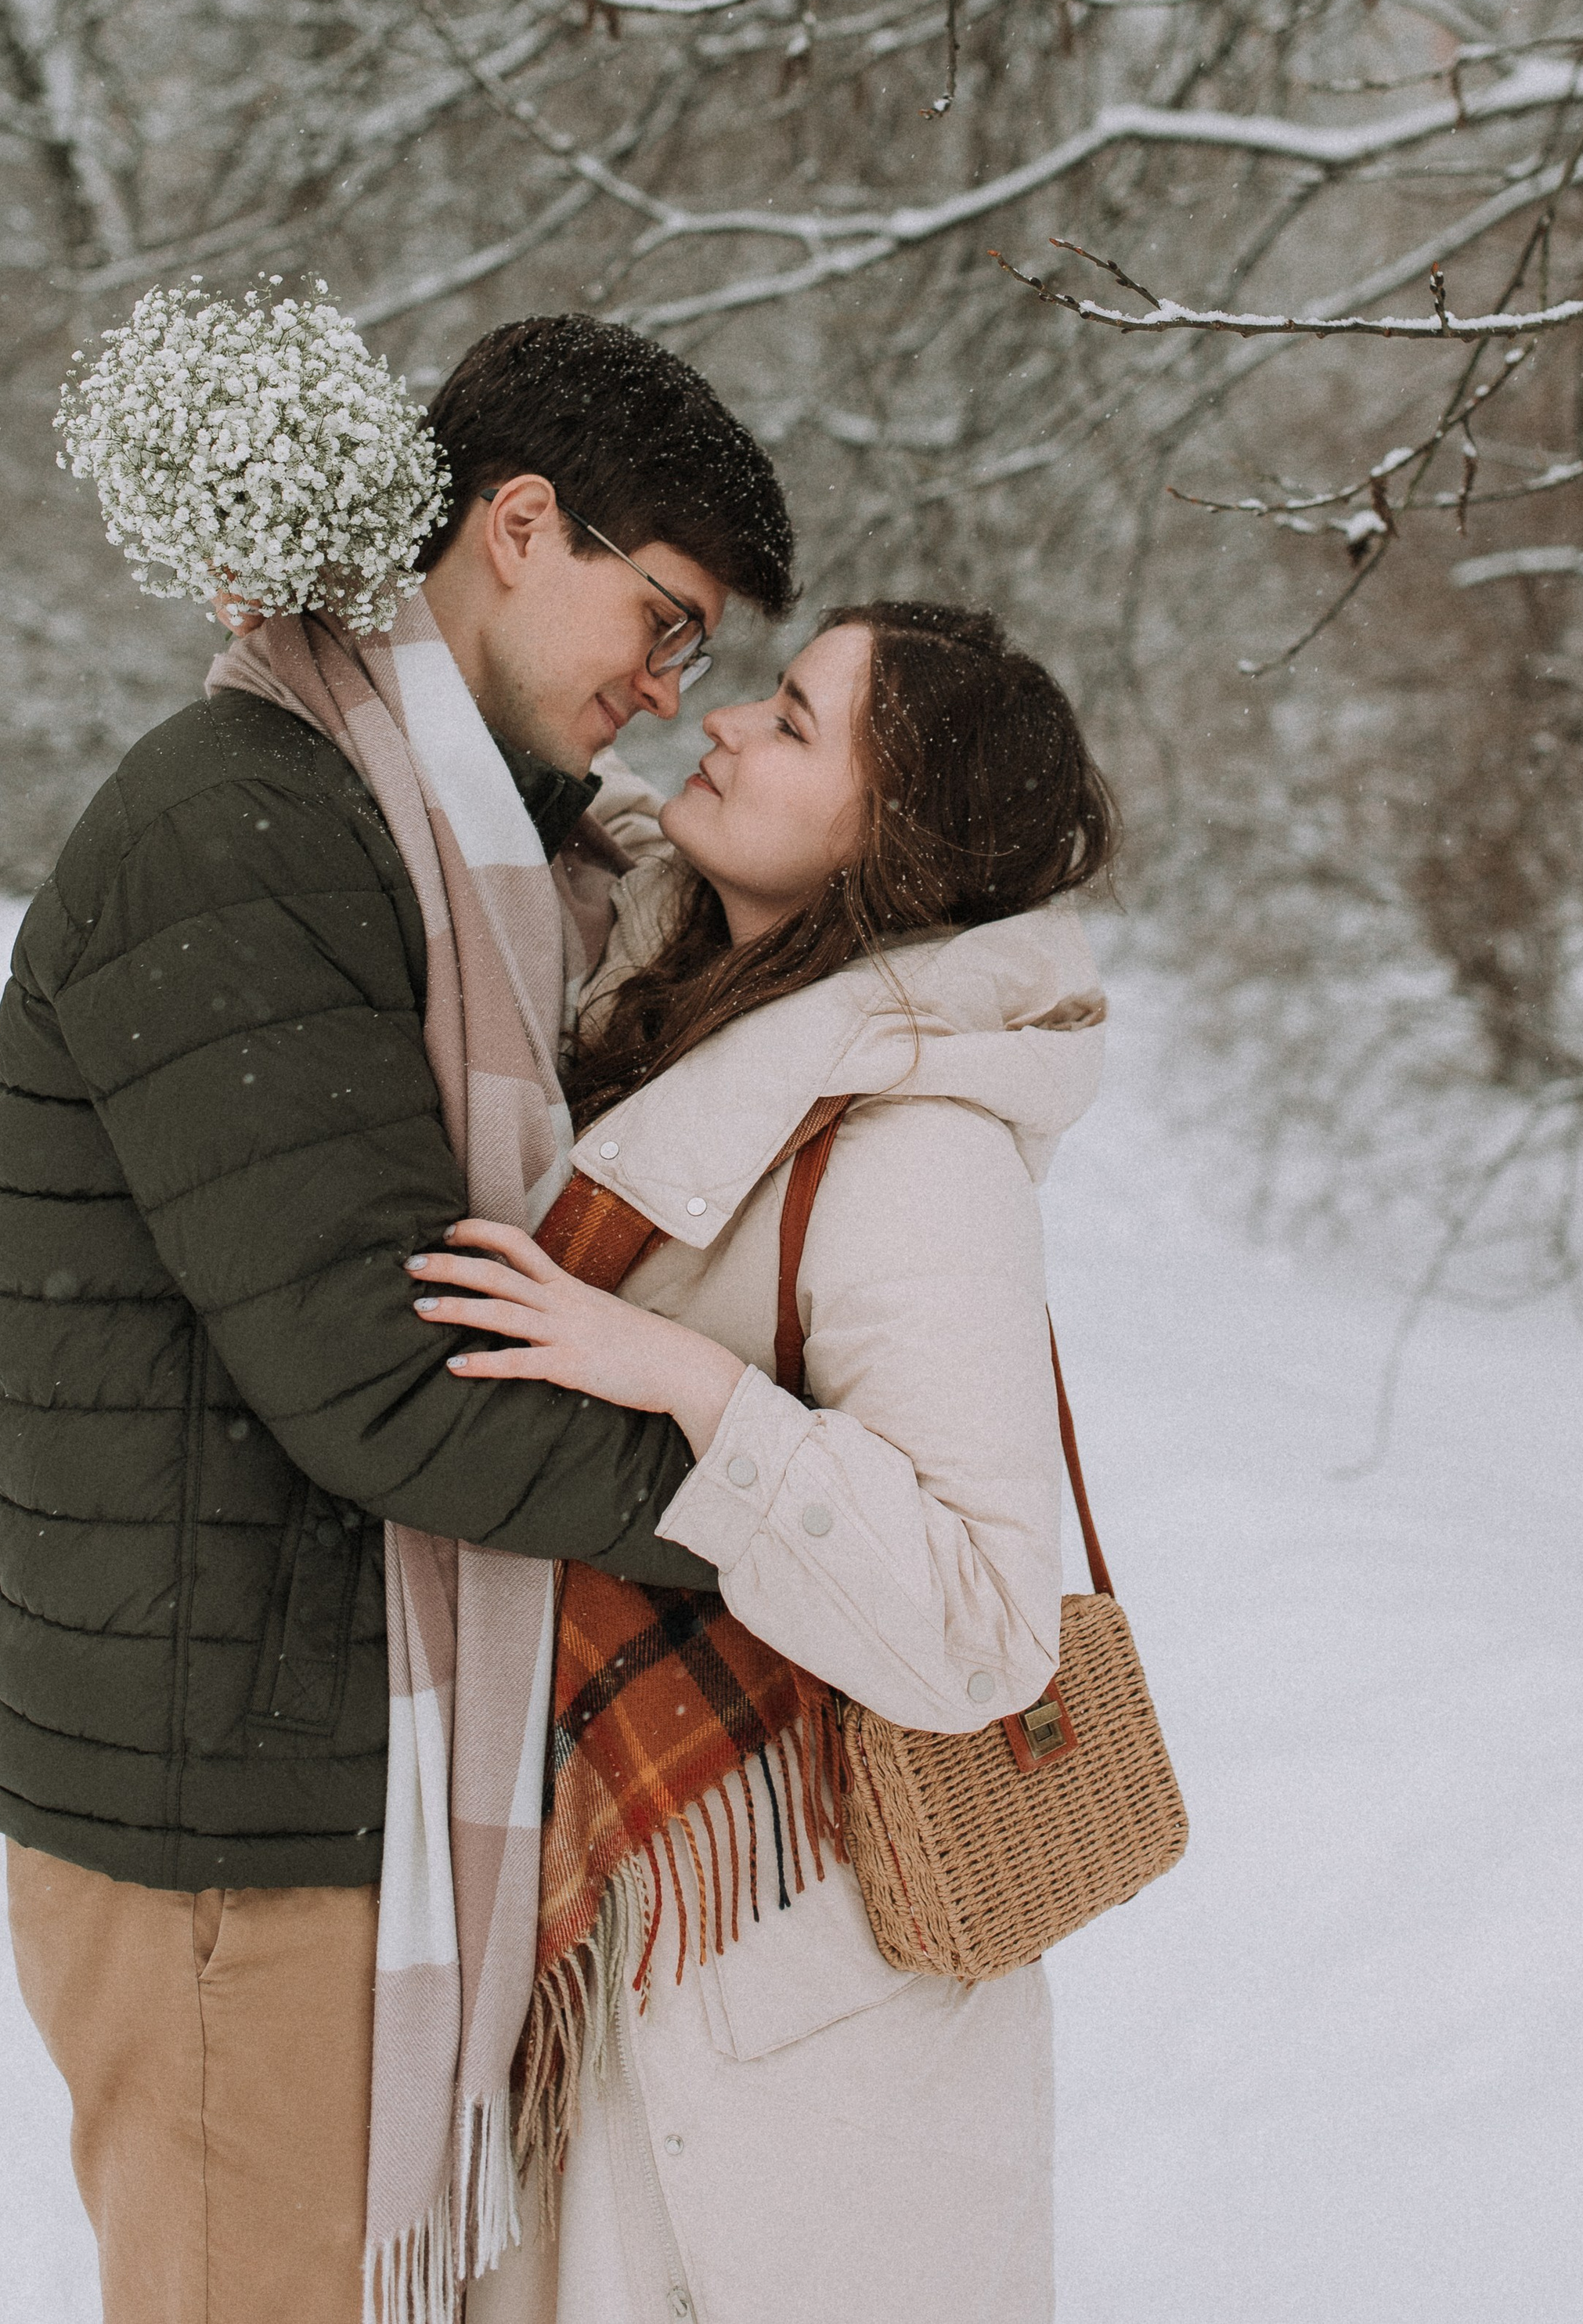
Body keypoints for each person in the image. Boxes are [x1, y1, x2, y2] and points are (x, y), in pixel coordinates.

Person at [0, 314, 794, 2324]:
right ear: (519, 524)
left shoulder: (449, 851)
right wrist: (802, 1524)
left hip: (340, 1784)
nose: (668, 694)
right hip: (230, 1827)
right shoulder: (239, 831)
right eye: (664, 618)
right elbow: (391, 1374)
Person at [420, 600, 1119, 2324]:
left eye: (794, 723)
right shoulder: (676, 1006)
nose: (722, 722)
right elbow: (541, 792)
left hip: (781, 1999)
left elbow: (978, 1624)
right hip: (611, 1952)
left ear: (889, 840)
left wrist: (678, 1384)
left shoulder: (911, 1146)